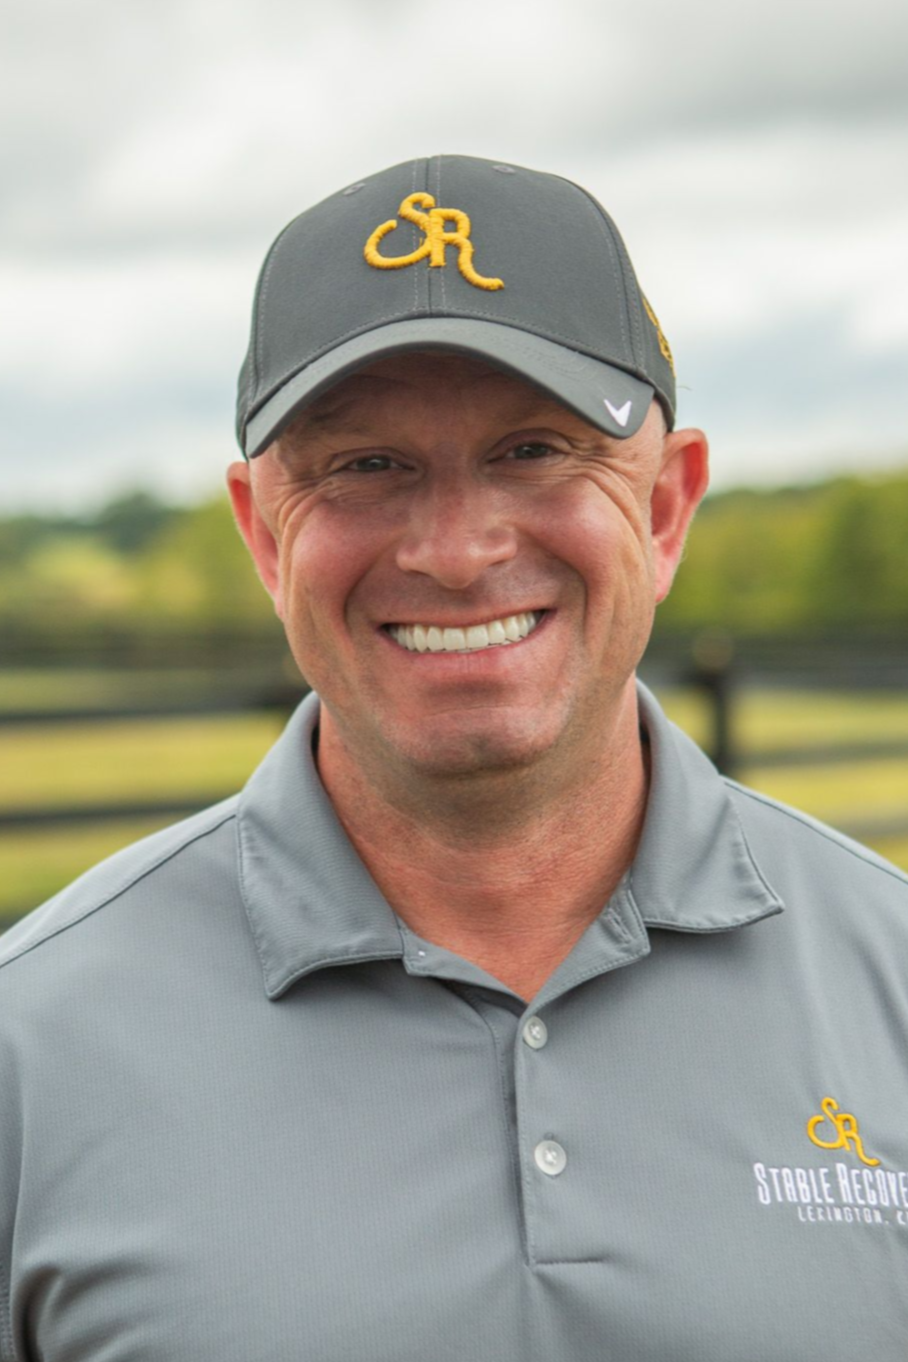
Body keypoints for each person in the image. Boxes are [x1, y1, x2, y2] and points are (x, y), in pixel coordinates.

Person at [2, 155, 907, 1361]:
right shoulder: (33, 1045)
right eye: (365, 467)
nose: (456, 549)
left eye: (532, 449)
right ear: (263, 535)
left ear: (662, 507)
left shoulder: (889, 981)